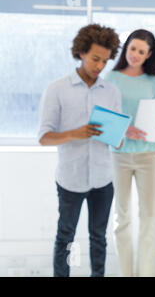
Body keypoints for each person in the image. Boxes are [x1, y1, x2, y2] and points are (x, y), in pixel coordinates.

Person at [38, 24, 121, 277]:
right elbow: (44, 137)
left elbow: (116, 140)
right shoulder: (57, 88)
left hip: (103, 179)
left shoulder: (112, 92)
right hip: (70, 179)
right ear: (82, 52)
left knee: (99, 238)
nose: (99, 66)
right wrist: (75, 133)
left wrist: (117, 136)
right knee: (65, 236)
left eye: (105, 61)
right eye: (95, 58)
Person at [104, 29, 155, 277]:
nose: (135, 55)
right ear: (125, 48)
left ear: (149, 54)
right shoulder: (112, 78)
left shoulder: (154, 82)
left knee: (149, 217)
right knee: (122, 218)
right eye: (132, 49)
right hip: (119, 156)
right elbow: (103, 117)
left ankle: (146, 273)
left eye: (141, 51)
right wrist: (124, 129)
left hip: (148, 156)